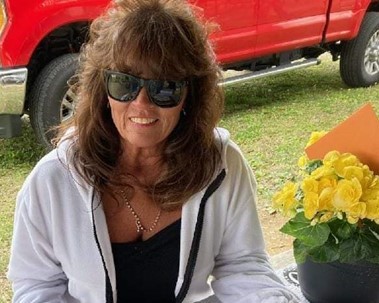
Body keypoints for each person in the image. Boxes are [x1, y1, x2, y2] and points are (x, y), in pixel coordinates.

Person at [7, 0, 301, 302]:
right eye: (125, 83)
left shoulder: (221, 164)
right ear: (102, 90)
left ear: (190, 94)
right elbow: (37, 287)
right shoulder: (53, 180)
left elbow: (242, 266)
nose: (142, 104)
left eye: (165, 87)